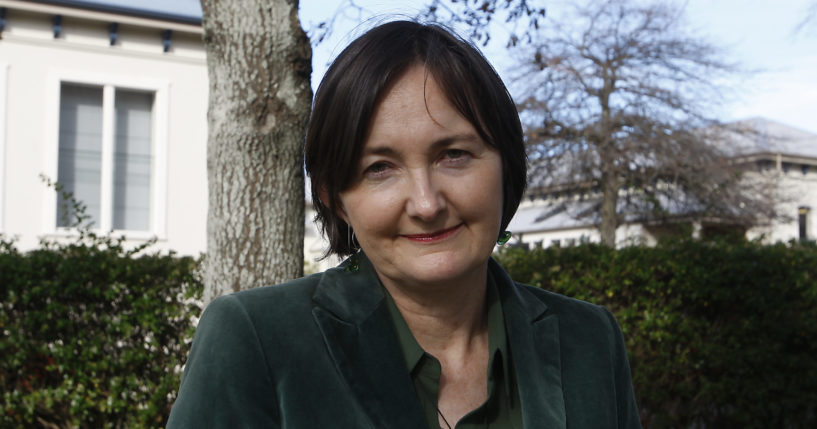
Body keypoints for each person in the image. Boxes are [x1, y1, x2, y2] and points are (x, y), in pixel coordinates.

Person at [167, 21, 641, 429]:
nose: (426, 203)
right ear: (337, 199)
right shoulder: (257, 341)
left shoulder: (589, 339)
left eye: (453, 155)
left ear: (506, 167)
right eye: (380, 168)